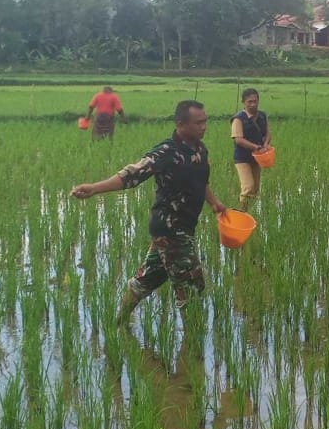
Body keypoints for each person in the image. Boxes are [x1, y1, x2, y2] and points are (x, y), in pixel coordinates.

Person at [70, 100, 227, 324]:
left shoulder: (199, 149)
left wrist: (214, 203)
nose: (204, 127)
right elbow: (132, 174)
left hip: (184, 226)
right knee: (191, 284)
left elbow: (200, 181)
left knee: (148, 278)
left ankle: (118, 323)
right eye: (198, 123)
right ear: (181, 124)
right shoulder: (165, 152)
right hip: (170, 228)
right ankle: (193, 344)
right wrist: (94, 188)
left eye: (205, 122)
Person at [230, 87, 270, 212]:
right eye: (249, 102)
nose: (253, 104)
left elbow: (268, 133)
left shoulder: (262, 115)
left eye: (255, 101)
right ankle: (241, 213)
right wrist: (256, 147)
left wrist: (266, 144)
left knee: (255, 189)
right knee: (248, 186)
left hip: (257, 157)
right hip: (242, 158)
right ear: (244, 102)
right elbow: (239, 139)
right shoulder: (238, 119)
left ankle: (248, 212)